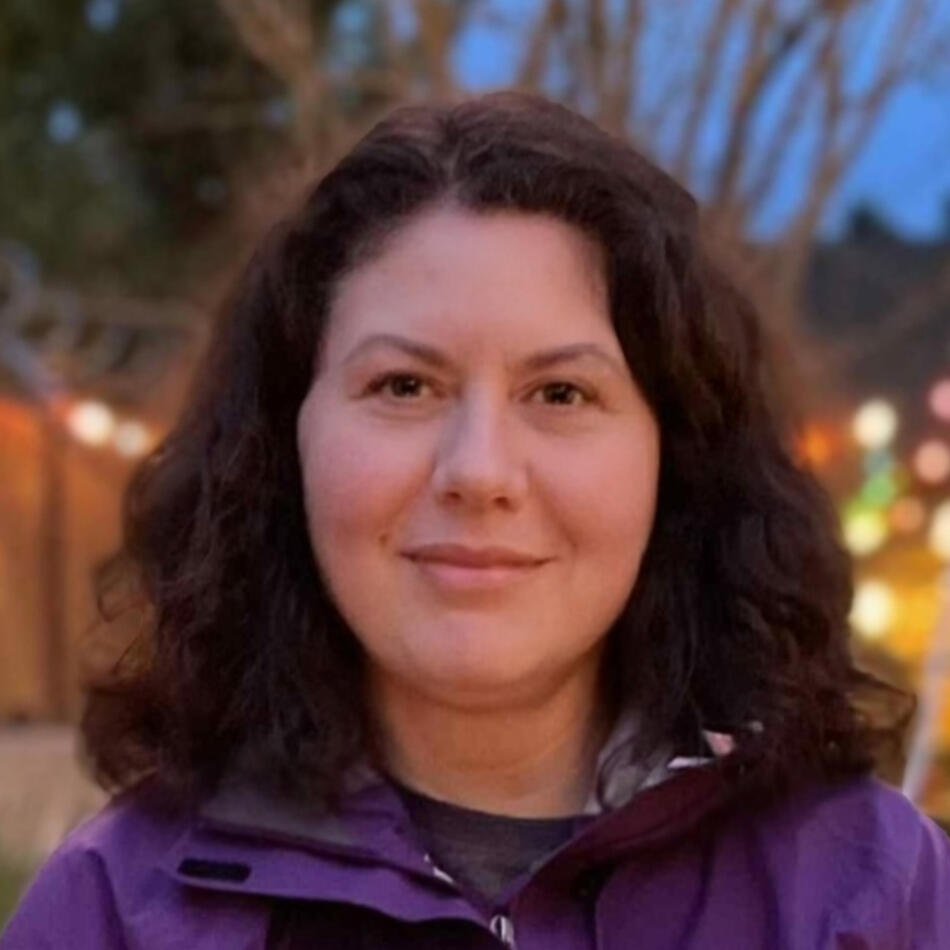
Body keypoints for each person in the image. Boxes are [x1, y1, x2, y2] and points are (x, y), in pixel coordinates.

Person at [3, 90, 948, 950]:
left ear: (678, 456)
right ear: (281, 446)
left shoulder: (871, 895)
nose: (479, 472)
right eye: (404, 385)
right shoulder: (117, 913)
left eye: (562, 392)